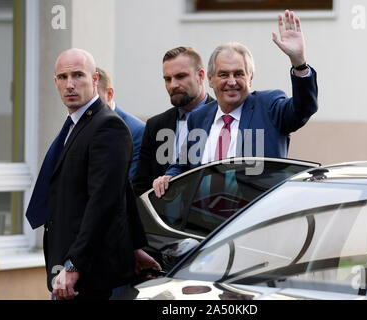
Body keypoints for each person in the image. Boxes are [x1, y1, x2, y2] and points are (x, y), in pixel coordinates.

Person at [25, 48, 160, 300]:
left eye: (78, 75)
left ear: (95, 79)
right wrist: (134, 246)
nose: (70, 84)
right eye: (63, 78)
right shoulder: (77, 124)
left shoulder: (107, 125)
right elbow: (122, 191)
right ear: (56, 82)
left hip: (88, 274)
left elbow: (103, 202)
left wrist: (74, 265)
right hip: (71, 269)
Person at [153, 10, 318, 198]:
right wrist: (167, 177)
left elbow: (304, 109)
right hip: (202, 222)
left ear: (251, 78)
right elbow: (183, 164)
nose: (231, 81)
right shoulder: (199, 117)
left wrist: (299, 63)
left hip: (254, 220)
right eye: (223, 74)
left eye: (239, 74)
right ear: (210, 80)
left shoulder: (269, 106)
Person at [132, 46, 213, 197]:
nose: (173, 85)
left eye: (180, 76)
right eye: (167, 79)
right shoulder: (155, 126)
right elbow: (141, 186)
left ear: (201, 76)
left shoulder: (223, 119)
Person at [96, 67, 145, 180]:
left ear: (109, 94)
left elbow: (132, 184)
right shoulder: (76, 127)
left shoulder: (137, 131)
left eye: (95, 97)